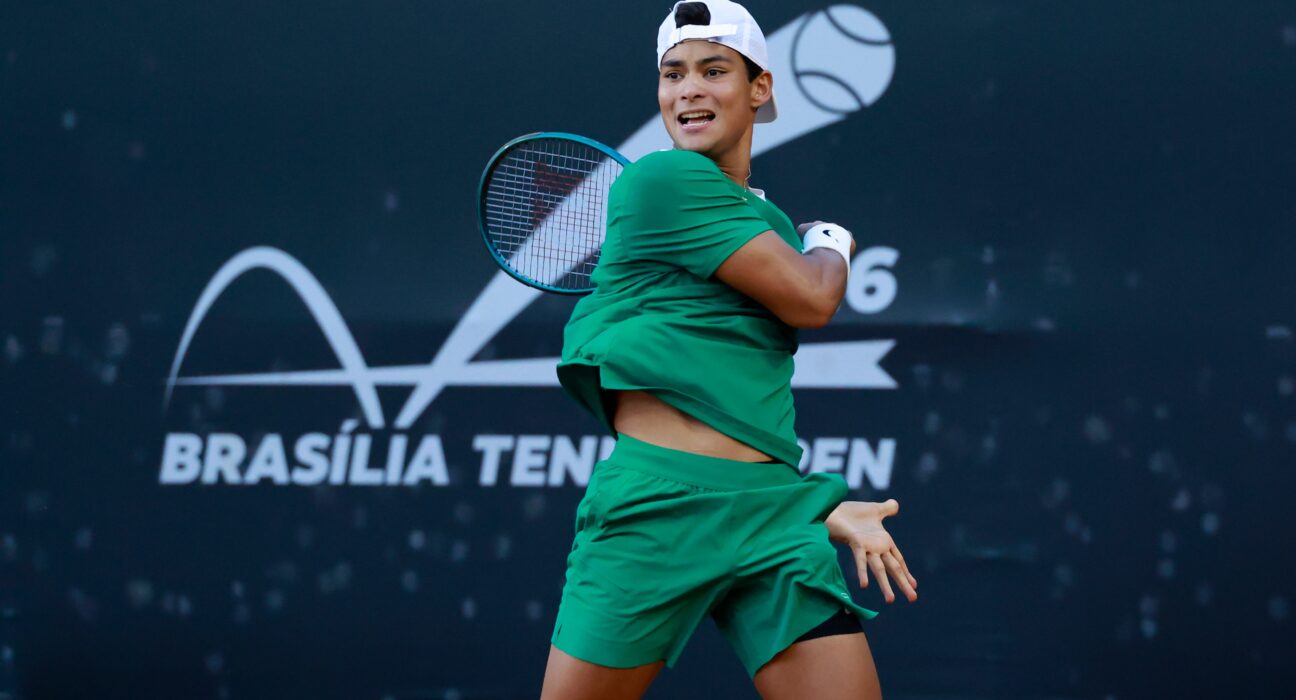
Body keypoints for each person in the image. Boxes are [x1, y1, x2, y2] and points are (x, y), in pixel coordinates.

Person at [542, 2, 917, 697]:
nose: (688, 90)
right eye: (673, 74)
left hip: (774, 516)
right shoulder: (662, 179)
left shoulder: (766, 220)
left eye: (713, 71)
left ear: (759, 88)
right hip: (658, 509)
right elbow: (814, 297)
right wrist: (832, 242)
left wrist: (818, 509)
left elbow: (743, 389)